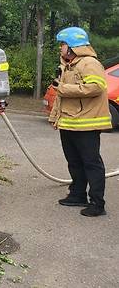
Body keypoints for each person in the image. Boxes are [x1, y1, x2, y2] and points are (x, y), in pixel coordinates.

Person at [49, 27, 110, 217]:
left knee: (91, 163)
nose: (60, 48)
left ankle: (97, 204)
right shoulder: (69, 65)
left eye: (63, 44)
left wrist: (64, 88)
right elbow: (61, 95)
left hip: (86, 124)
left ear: (72, 46)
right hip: (70, 122)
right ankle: (77, 195)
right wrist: (55, 117)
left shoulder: (89, 63)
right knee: (74, 162)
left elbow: (96, 87)